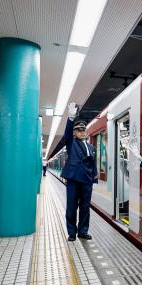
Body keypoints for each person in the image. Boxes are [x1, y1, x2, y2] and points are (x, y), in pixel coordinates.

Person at [61, 103, 98, 241]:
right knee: (71, 207)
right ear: (75, 133)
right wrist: (71, 118)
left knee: (85, 208)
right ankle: (72, 232)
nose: (82, 132)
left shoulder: (91, 147)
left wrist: (94, 178)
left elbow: (93, 163)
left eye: (83, 130)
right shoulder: (71, 143)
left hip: (87, 181)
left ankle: (83, 231)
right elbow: (66, 135)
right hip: (73, 180)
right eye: (79, 130)